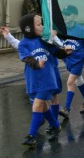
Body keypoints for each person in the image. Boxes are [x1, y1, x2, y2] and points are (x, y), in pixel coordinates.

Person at [18, 14, 69, 147]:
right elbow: (25, 58)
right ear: (29, 28)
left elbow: (56, 52)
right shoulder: (23, 43)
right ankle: (56, 125)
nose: (43, 27)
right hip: (33, 80)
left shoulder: (44, 39)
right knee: (44, 106)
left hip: (47, 80)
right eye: (39, 24)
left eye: (42, 24)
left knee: (37, 105)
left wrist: (65, 51)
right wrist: (36, 63)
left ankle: (31, 136)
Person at [58, 5, 84, 119]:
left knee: (70, 82)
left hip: (78, 60)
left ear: (75, 16)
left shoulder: (80, 30)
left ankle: (67, 108)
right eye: (64, 14)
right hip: (68, 60)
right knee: (78, 80)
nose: (65, 17)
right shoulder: (62, 29)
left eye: (68, 14)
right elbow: (59, 43)